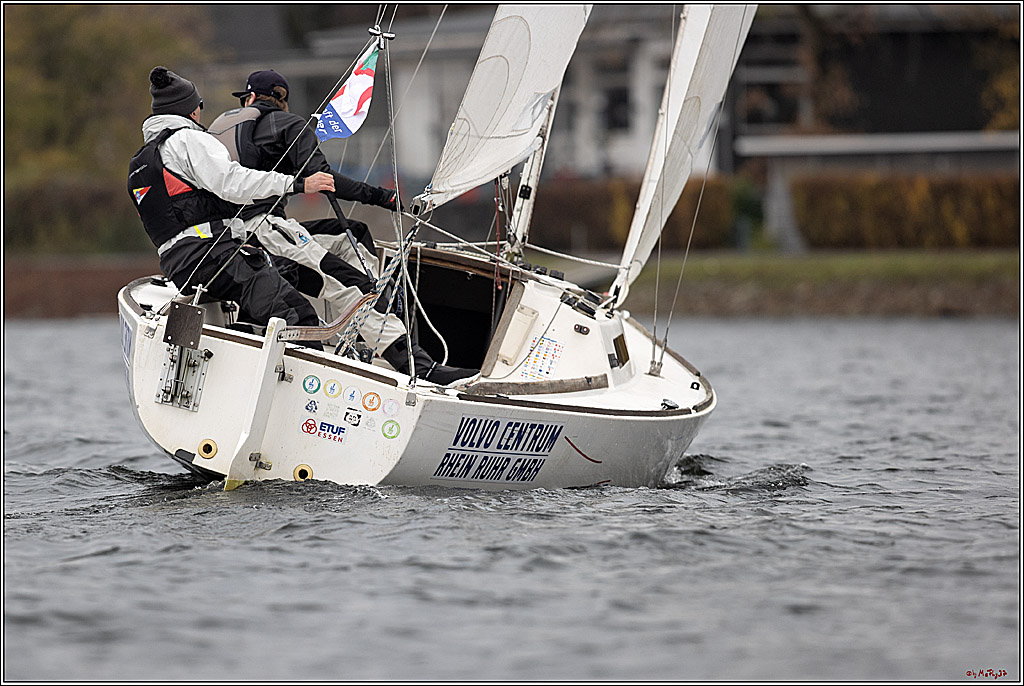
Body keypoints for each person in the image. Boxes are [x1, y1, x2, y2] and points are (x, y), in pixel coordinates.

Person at [210, 69, 477, 385]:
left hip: (221, 237)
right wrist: (382, 196)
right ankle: (414, 364)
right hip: (266, 231)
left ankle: (370, 333)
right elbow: (327, 181)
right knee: (347, 284)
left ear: (251, 98)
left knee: (351, 233)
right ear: (281, 98)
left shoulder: (216, 135)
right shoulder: (290, 126)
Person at [128, 66, 332, 347]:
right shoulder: (189, 140)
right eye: (199, 105)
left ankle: (246, 339)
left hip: (178, 265)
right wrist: (295, 184)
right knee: (298, 317)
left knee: (284, 273)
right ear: (190, 110)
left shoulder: (140, 162)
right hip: (212, 255)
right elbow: (233, 183)